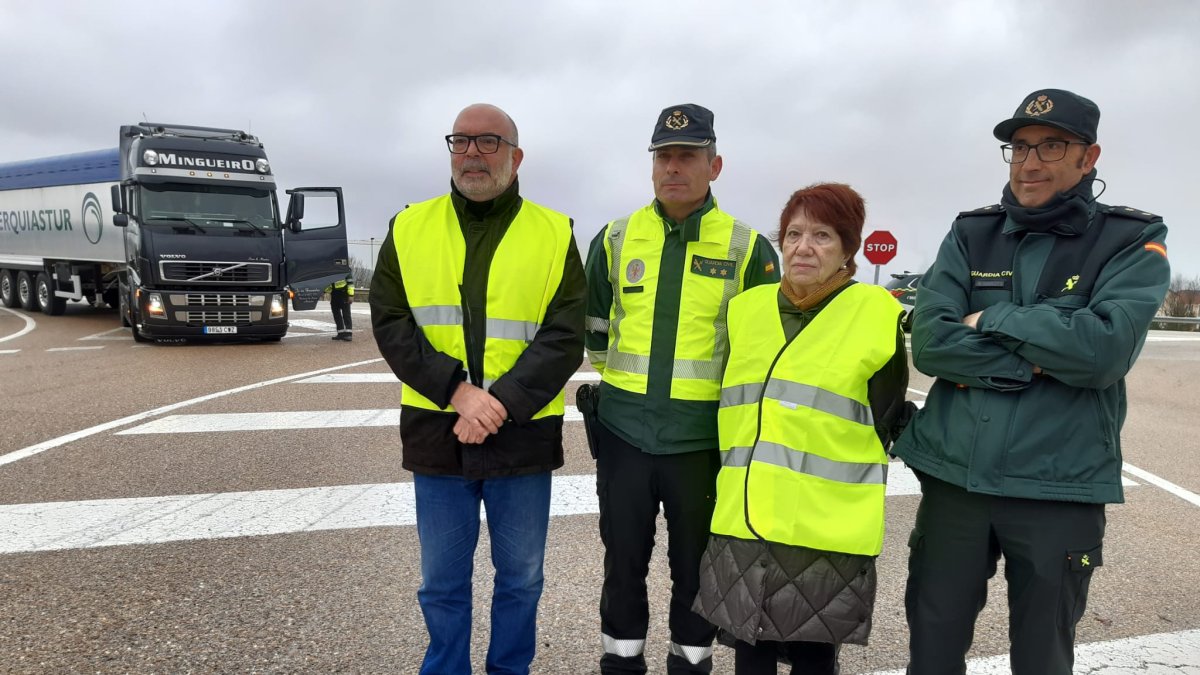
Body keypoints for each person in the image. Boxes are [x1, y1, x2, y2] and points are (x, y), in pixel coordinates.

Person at [892, 89, 1171, 674]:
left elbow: (1103, 352)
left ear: (1088, 157)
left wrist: (993, 318)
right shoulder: (972, 234)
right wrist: (1042, 356)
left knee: (1043, 657)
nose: (1031, 161)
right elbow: (936, 344)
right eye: (1019, 147)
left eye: (1051, 146)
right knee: (933, 648)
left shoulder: (1127, 241)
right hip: (956, 484)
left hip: (1057, 487)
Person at [370, 103, 585, 675]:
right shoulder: (410, 226)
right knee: (441, 583)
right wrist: (459, 393)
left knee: (521, 579)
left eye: (489, 143)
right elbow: (392, 323)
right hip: (438, 432)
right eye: (461, 141)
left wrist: (499, 404)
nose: (472, 153)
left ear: (516, 158)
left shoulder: (554, 231)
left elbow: (565, 337)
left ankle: (509, 670)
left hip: (522, 434)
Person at [584, 104, 780, 675]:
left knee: (696, 566)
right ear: (651, 167)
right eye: (664, 156)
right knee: (623, 561)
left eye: (688, 156)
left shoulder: (747, 247)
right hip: (624, 432)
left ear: (714, 165)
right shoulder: (617, 238)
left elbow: (759, 347)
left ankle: (691, 663)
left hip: (701, 440)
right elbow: (597, 331)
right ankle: (621, 662)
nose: (674, 167)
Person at [692, 183, 910, 675]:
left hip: (823, 527)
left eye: (822, 235)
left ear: (848, 249)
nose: (803, 247)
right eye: (793, 233)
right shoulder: (746, 311)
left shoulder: (875, 314)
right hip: (742, 518)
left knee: (814, 659)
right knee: (749, 654)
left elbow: (887, 415)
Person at [326, 273, 355, 341]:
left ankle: (348, 334)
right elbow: (329, 283)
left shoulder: (345, 270)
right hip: (334, 294)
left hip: (343, 293)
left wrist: (351, 295)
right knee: (336, 314)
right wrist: (326, 292)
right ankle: (340, 333)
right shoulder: (331, 270)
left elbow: (350, 283)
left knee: (346, 314)